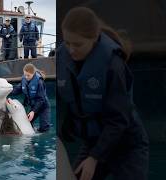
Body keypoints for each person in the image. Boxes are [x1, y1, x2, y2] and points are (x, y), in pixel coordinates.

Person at [57, 7, 149, 180]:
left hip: (126, 145)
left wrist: (94, 157)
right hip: (94, 141)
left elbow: (119, 119)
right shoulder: (63, 58)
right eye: (67, 43)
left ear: (94, 39)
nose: (71, 50)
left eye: (77, 44)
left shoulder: (113, 65)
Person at [10, 63, 50, 132]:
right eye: (25, 75)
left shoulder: (39, 82)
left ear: (33, 73)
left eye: (28, 75)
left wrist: (33, 111)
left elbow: (41, 99)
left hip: (43, 106)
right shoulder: (24, 79)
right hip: (33, 106)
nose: (26, 77)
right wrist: (8, 92)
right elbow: (18, 89)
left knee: (44, 128)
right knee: (28, 123)